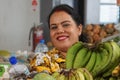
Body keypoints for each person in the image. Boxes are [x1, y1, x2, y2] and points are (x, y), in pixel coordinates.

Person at [29, 4, 83, 74]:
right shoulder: (42, 61)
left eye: (66, 25)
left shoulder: (94, 57)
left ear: (79, 29)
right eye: (54, 27)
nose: (59, 30)